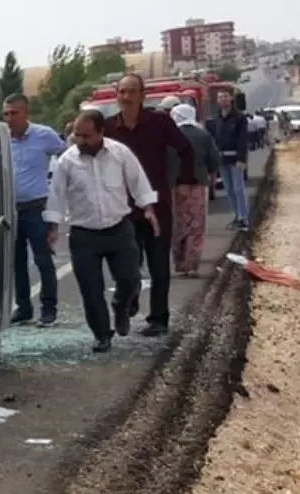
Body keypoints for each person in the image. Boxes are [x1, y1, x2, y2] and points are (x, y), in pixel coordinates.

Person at [45, 110, 159, 353]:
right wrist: (53, 227)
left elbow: (138, 181)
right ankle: (101, 334)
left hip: (119, 229)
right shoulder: (67, 161)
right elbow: (56, 195)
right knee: (90, 289)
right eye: (77, 135)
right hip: (84, 235)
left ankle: (121, 306)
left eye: (86, 136)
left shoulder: (119, 153)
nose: (80, 141)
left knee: (130, 279)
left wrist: (148, 209)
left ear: (100, 132)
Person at [105, 73, 196, 338]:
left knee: (158, 266)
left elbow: (185, 149)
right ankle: (130, 298)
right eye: (122, 92)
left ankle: (159, 318)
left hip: (157, 206)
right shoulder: (109, 128)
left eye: (132, 91)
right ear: (117, 95)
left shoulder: (160, 123)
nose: (127, 97)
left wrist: (183, 182)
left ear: (142, 96)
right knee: (127, 266)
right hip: (123, 209)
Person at [3, 93, 68, 327]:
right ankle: (23, 308)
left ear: (25, 113)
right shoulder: (1, 140)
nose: (9, 119)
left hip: (37, 210)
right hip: (11, 210)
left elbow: (67, 155)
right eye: (6, 114)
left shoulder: (44, 136)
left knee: (43, 260)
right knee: (17, 263)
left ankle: (48, 309)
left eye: (14, 113)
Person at [169, 104, 221, 277]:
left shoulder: (170, 135)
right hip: (197, 184)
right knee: (196, 224)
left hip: (175, 185)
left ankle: (180, 263)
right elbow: (213, 159)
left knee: (178, 224)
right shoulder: (203, 134)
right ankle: (192, 264)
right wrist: (212, 175)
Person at [206, 90, 250, 231]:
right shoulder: (216, 120)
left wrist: (242, 158)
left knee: (238, 188)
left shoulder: (239, 118)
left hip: (236, 158)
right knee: (229, 190)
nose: (223, 99)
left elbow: (243, 139)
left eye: (225, 96)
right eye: (220, 97)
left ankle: (243, 218)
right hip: (222, 159)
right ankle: (237, 216)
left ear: (230, 98)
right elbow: (212, 140)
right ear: (217, 101)